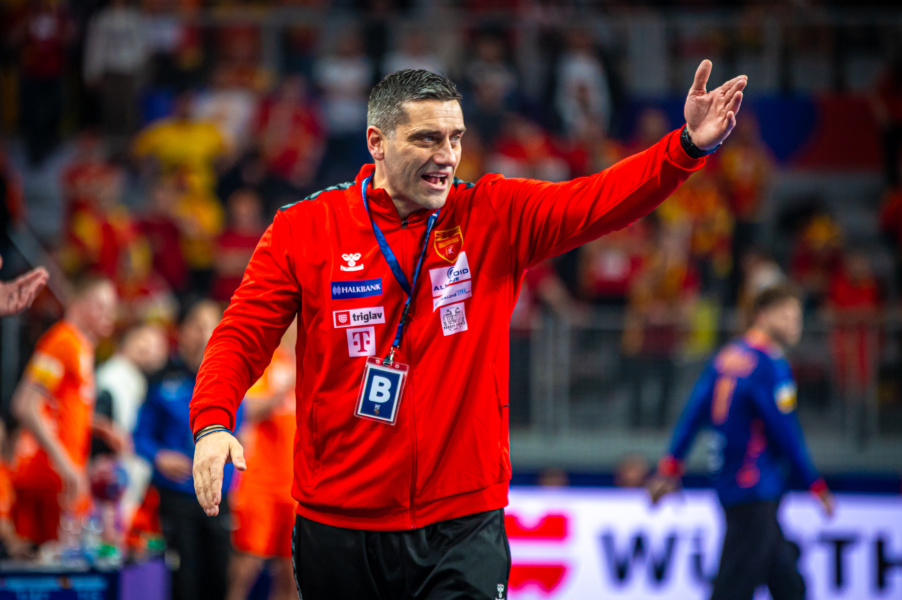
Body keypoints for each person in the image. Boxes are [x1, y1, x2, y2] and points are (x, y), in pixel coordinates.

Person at [191, 63, 747, 599]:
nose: (447, 156)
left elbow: (598, 200)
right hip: (339, 521)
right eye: (427, 139)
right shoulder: (305, 228)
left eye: (455, 138)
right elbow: (241, 335)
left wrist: (685, 148)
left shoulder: (492, 214)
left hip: (462, 521)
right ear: (376, 142)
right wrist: (213, 422)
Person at [648, 284, 835, 600]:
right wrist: (813, 483)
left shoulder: (726, 357)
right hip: (756, 485)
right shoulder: (770, 365)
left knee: (787, 581)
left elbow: (694, 412)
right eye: (787, 316)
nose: (795, 325)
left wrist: (671, 466)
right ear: (762, 315)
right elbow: (785, 431)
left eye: (797, 317)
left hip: (730, 481)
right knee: (734, 586)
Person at [133, 300, 239, 600]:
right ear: (182, 330)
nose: (203, 333)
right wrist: (158, 456)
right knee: (183, 583)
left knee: (219, 580)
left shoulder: (230, 377)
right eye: (197, 325)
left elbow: (238, 431)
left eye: (210, 325)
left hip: (218, 498)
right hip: (175, 497)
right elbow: (139, 436)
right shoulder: (160, 379)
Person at [10, 276, 118, 545]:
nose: (109, 314)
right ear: (76, 303)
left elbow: (62, 408)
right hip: (47, 476)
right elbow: (25, 404)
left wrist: (100, 427)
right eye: (100, 305)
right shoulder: (62, 340)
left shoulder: (82, 346)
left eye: (112, 308)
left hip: (61, 477)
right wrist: (66, 464)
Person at [228, 323, 297, 600]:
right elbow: (247, 409)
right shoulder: (265, 358)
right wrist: (284, 389)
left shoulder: (313, 360)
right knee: (247, 563)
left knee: (292, 570)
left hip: (298, 482)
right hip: (260, 480)